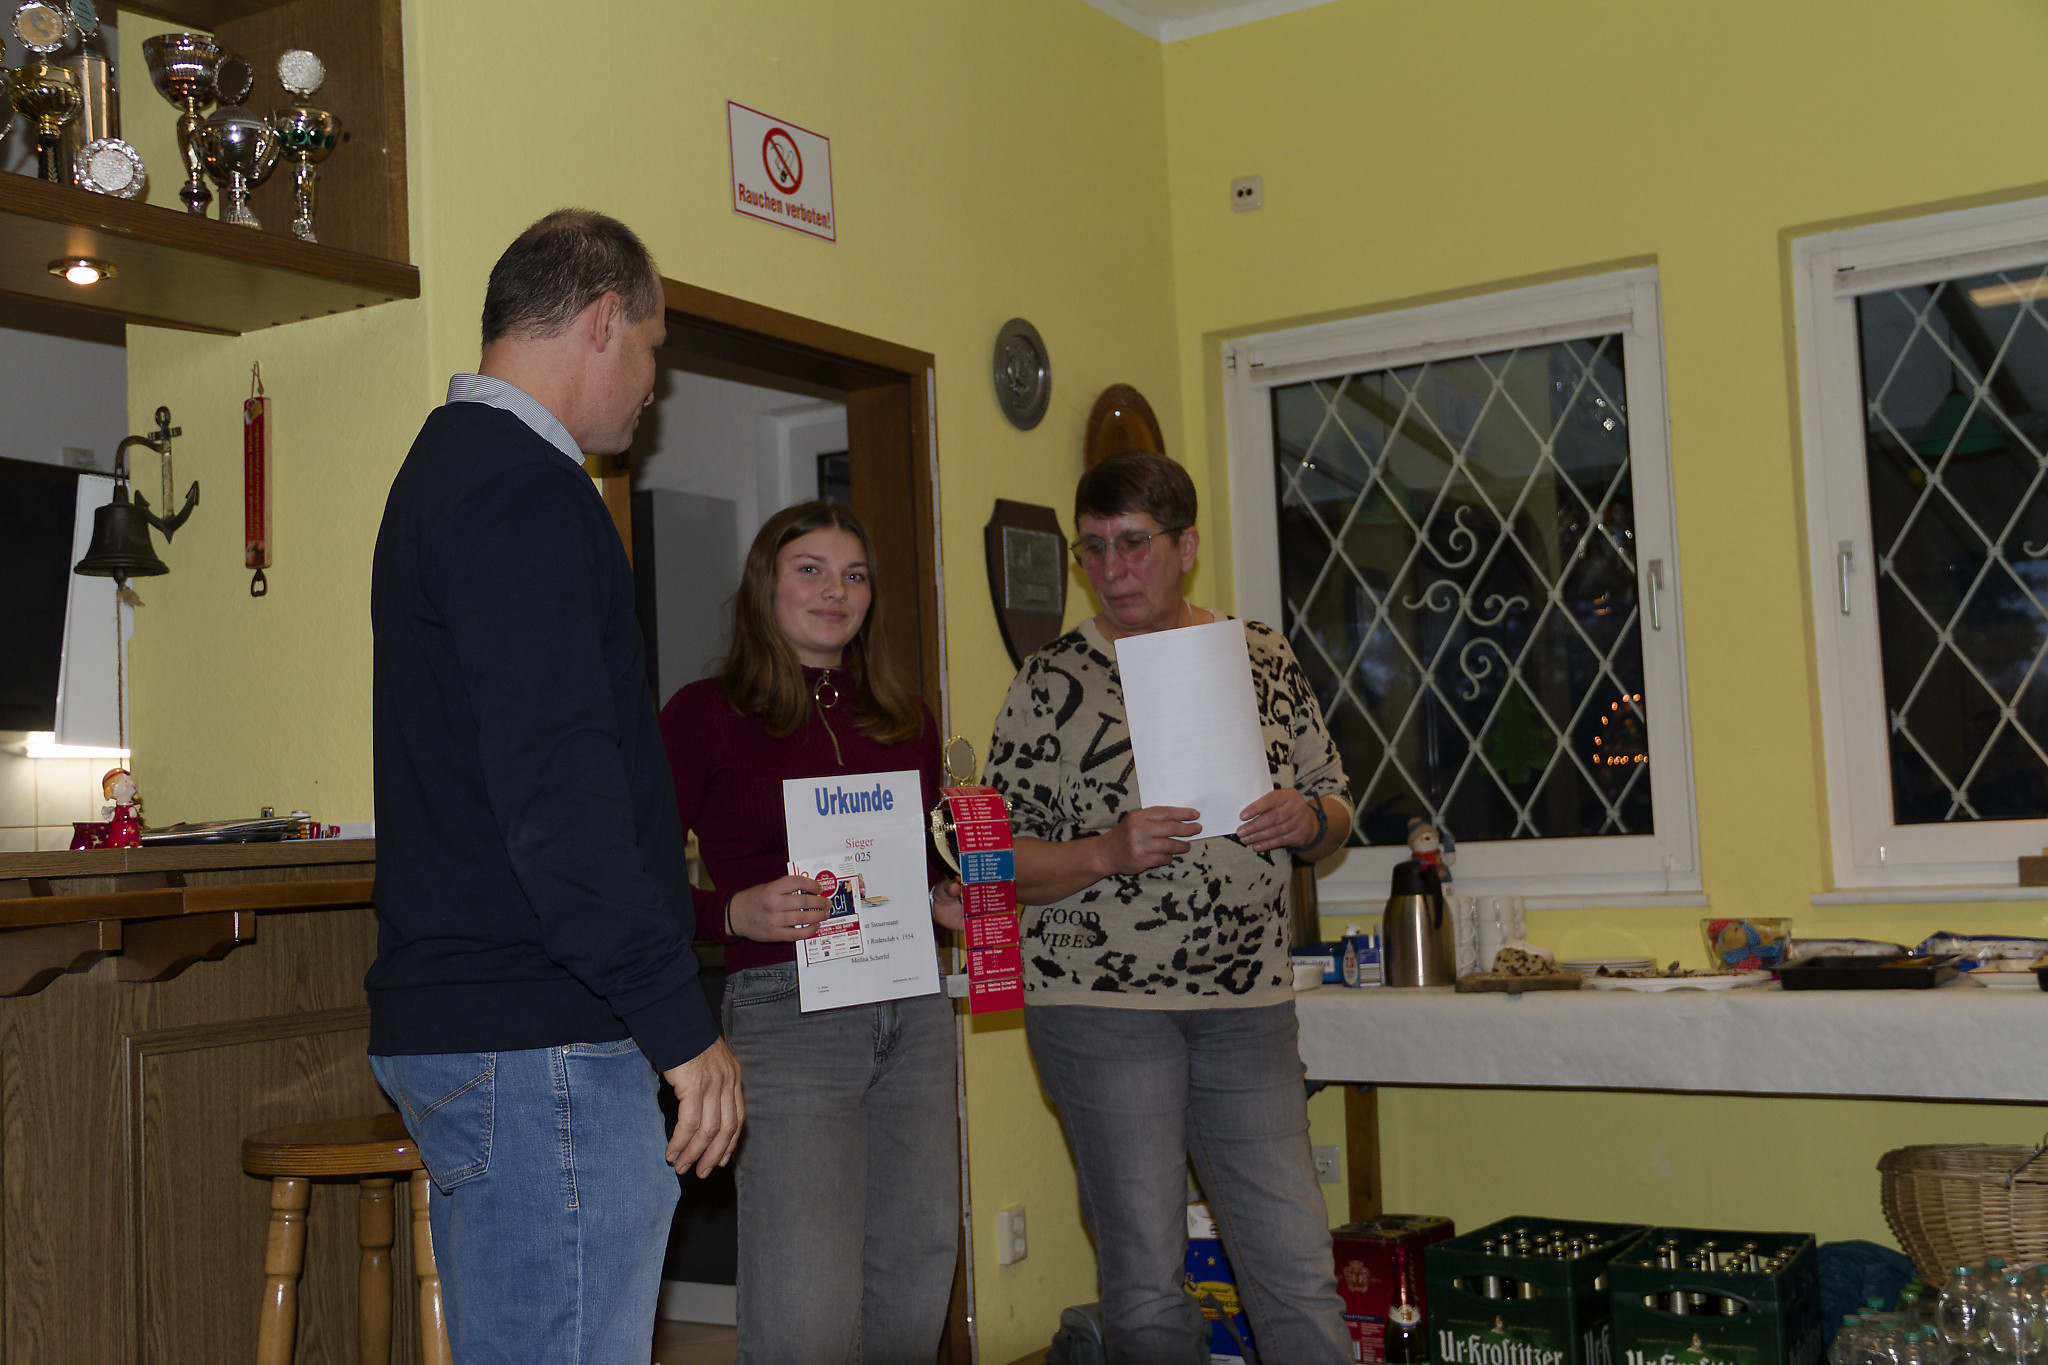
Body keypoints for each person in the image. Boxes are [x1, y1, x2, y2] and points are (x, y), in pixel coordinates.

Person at [366, 209, 742, 1365]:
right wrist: (679, 1025)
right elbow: (558, 802)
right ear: (602, 319)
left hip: (489, 1024)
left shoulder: (449, 471)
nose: (653, 387)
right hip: (540, 1038)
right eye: (654, 349)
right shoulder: (519, 490)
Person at [985, 449, 1355, 1365]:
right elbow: (993, 861)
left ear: (1186, 546)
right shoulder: (1048, 680)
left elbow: (1337, 806)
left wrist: (1307, 818)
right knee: (1147, 1281)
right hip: (1100, 1006)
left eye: (1134, 543)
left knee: (1295, 1260)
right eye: (1093, 547)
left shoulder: (1260, 653)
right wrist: (1105, 851)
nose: (1112, 569)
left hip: (1247, 1002)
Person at [660, 499, 964, 1365]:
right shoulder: (703, 715)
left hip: (913, 1010)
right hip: (788, 1013)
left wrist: (942, 898)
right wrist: (730, 912)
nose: (837, 590)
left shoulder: (906, 718)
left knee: (916, 1275)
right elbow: (632, 883)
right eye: (812, 569)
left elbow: (916, 868)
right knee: (807, 1304)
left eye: (855, 575)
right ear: (766, 584)